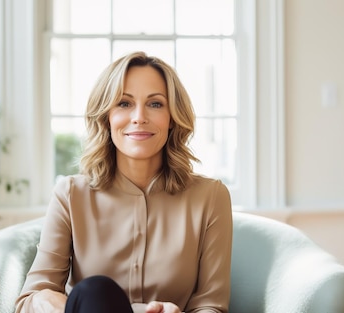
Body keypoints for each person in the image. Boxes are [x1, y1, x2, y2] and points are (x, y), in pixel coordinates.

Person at [15, 51, 233, 313]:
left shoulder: (211, 197)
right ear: (107, 117)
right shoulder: (70, 194)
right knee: (94, 292)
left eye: (155, 104)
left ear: (172, 119)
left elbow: (212, 305)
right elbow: (30, 300)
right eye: (124, 103)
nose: (139, 117)